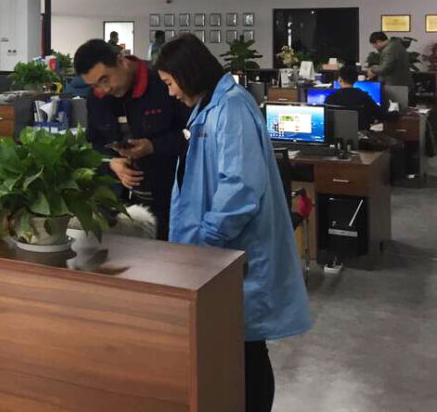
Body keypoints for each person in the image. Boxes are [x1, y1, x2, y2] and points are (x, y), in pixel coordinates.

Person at [153, 34, 313, 412]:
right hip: (214, 253)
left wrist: (208, 240)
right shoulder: (209, 105)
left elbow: (240, 187)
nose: (171, 93)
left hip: (234, 251)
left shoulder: (232, 107)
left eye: (171, 83)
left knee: (248, 347)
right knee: (232, 345)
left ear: (188, 73)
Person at [74, 39, 190, 240]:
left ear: (122, 61)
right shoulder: (96, 98)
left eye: (105, 79)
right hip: (122, 203)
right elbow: (94, 144)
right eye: (95, 85)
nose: (104, 89)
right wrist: (111, 163)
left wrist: (153, 146)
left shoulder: (163, 84)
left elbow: (192, 135)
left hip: (173, 198)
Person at [327, 64, 383, 131]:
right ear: (356, 80)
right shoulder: (364, 97)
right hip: (360, 134)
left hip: (337, 135)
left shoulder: (331, 98)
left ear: (339, 79)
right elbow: (380, 114)